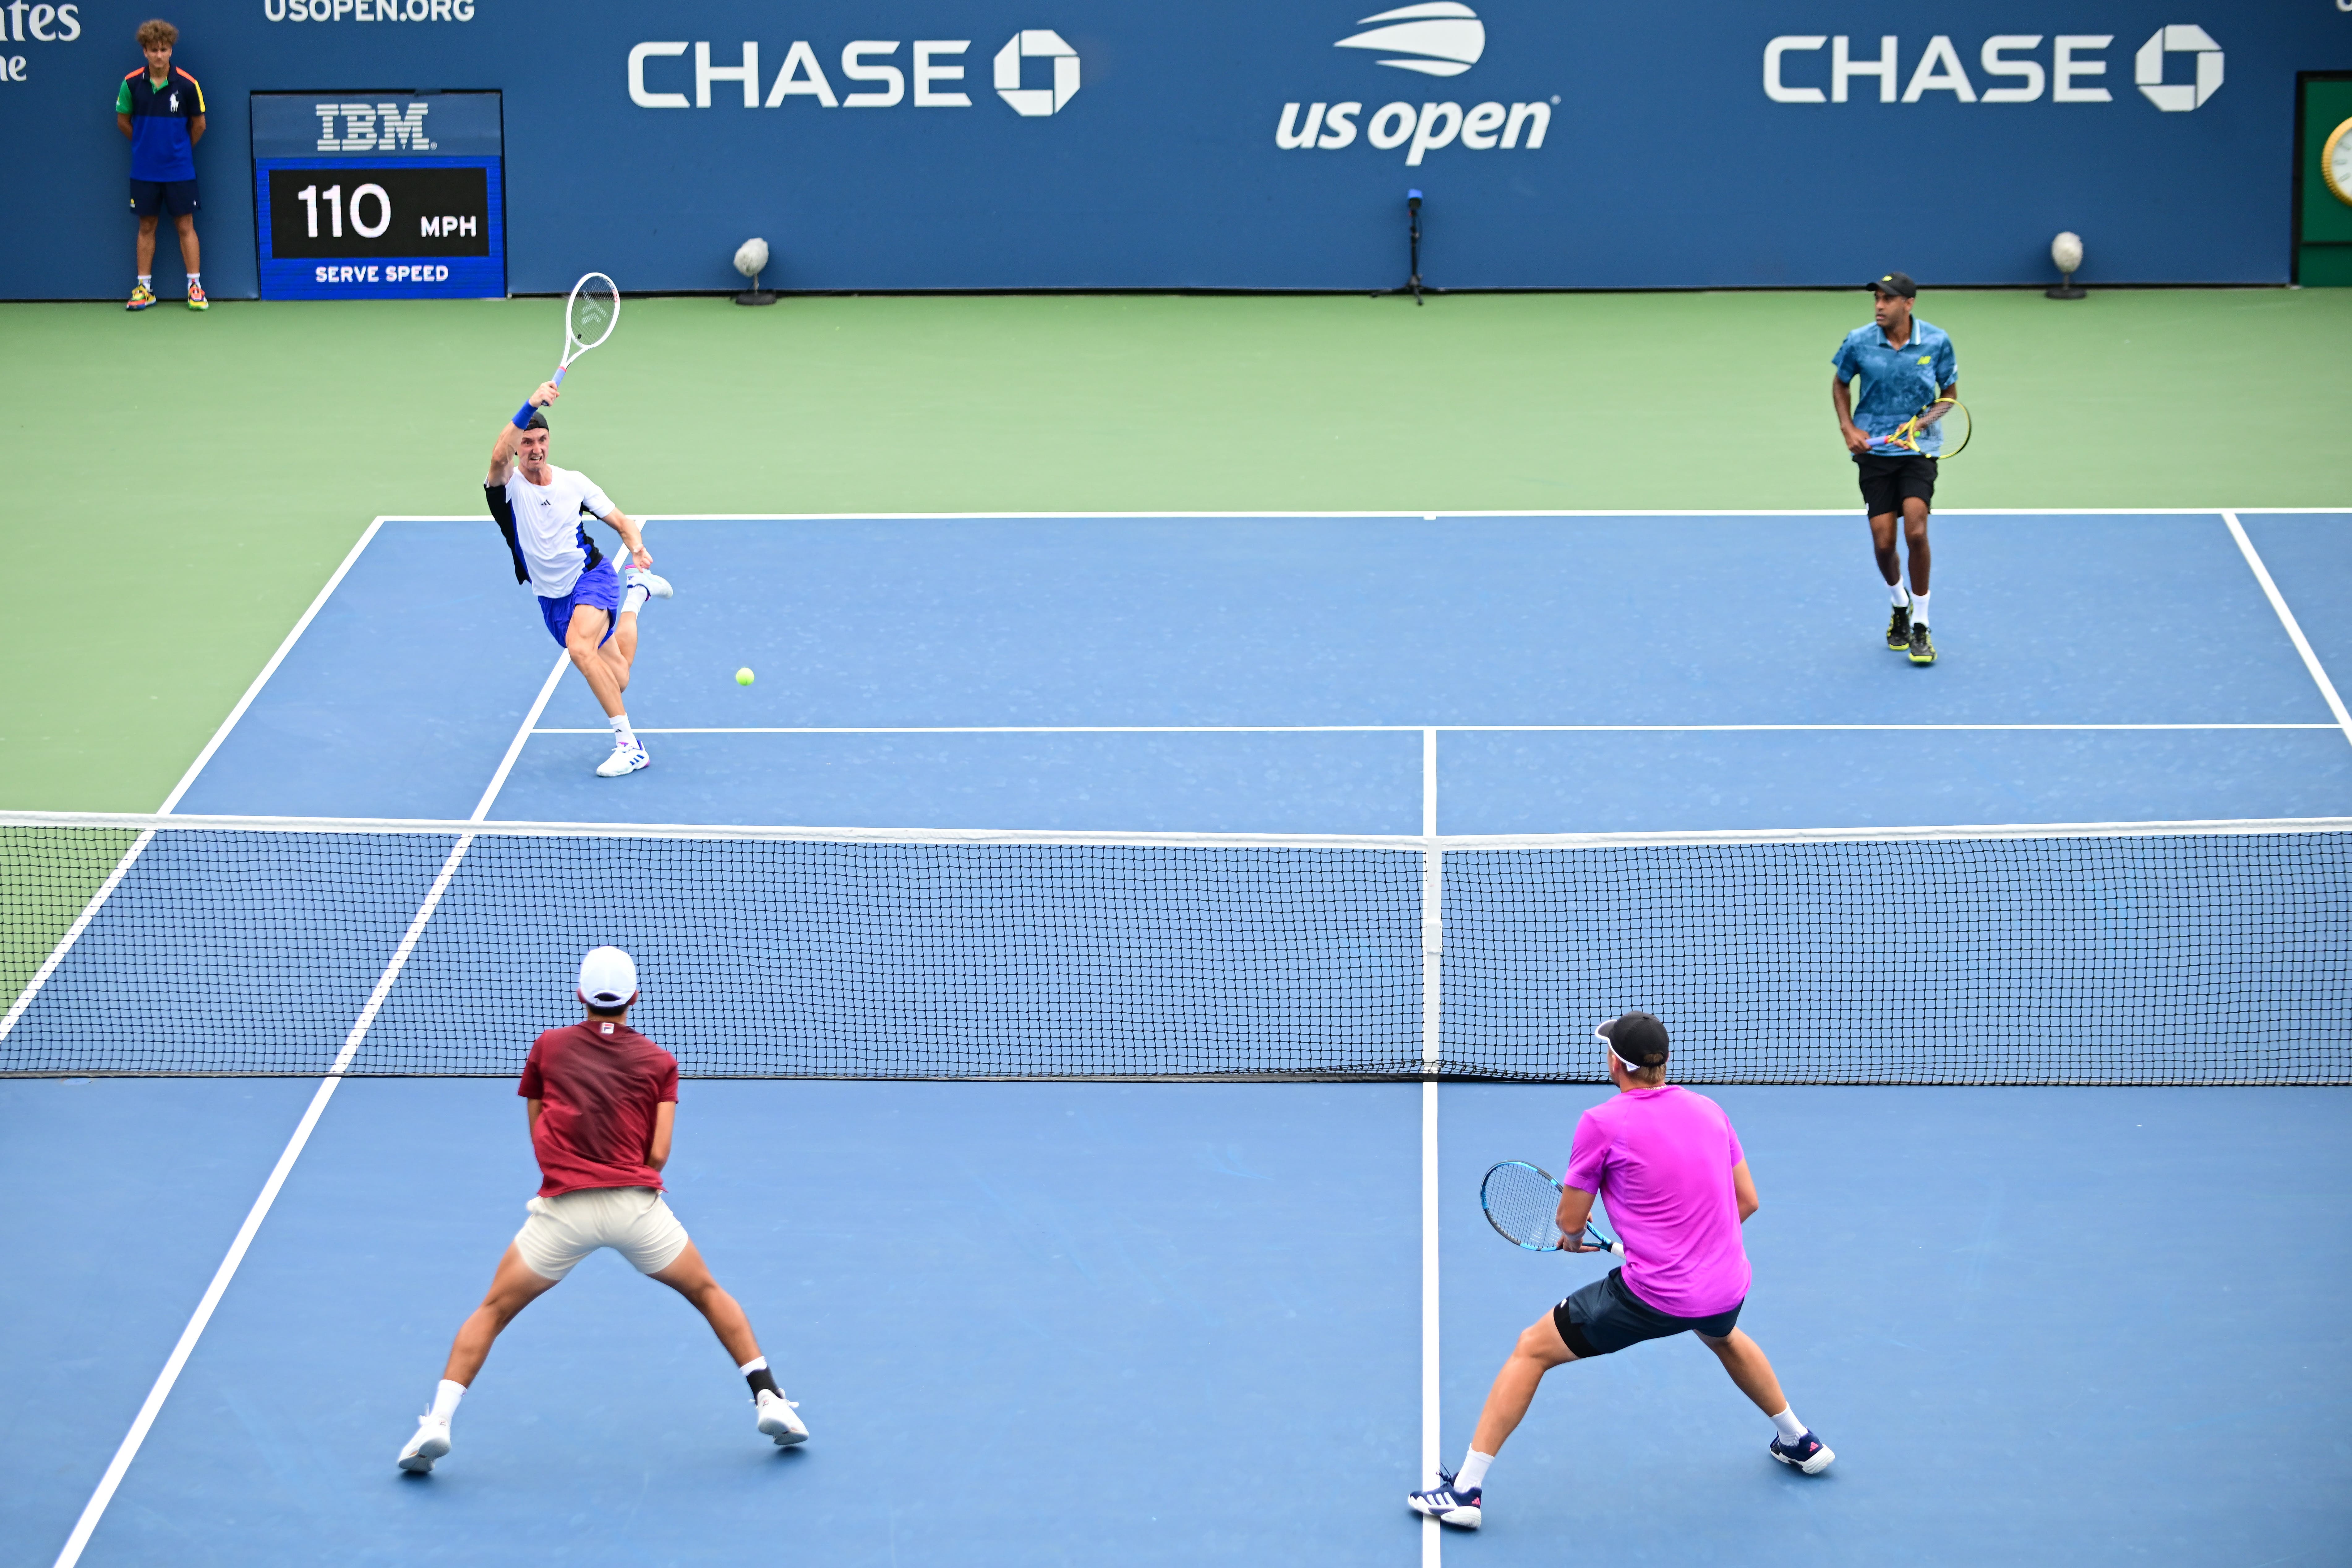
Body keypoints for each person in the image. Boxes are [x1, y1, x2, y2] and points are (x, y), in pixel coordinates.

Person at [1408, 1011, 1831, 1531]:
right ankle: (1799, 1441)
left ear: (1616, 1062)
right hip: (1726, 1285)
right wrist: (1685, 1247)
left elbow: (1568, 1219)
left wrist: (1572, 1237)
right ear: (1664, 1061)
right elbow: (1747, 1202)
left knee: (1531, 1349)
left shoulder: (1602, 1122)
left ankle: (1466, 1492)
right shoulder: (1710, 1110)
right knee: (1721, 1335)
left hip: (1655, 1295)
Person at [397, 946, 807, 1472]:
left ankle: (437, 1424)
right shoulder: (660, 1063)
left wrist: (571, 1163)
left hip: (563, 1210)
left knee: (493, 1310)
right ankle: (770, 1399)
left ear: (581, 996)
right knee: (707, 1292)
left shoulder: (547, 1048)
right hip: (635, 1209)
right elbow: (657, 1155)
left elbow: (538, 1129)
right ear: (634, 998)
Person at [485, 382, 672, 777]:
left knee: (579, 648)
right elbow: (498, 454)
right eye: (528, 441)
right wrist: (531, 403)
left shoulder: (575, 483)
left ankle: (629, 745)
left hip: (592, 577)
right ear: (518, 447)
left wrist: (636, 547)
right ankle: (639, 594)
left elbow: (621, 522)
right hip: (551, 599)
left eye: (543, 440)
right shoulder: (505, 490)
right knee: (616, 679)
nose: (536, 448)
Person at [1831, 271, 1958, 667]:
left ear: (1909, 304)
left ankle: (1921, 624)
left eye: (1887, 300)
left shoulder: (1936, 341)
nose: (1879, 306)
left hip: (1918, 449)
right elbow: (1840, 384)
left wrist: (1918, 426)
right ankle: (1899, 604)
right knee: (1884, 542)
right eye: (1876, 299)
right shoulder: (1858, 341)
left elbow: (1949, 396)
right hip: (1874, 452)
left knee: (1916, 528)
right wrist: (1848, 427)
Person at [117, 19, 207, 311]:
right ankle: (145, 288)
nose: (159, 55)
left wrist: (177, 151)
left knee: (185, 225)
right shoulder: (131, 84)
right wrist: (146, 146)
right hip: (144, 171)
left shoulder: (189, 85)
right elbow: (123, 122)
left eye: (164, 49)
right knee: (147, 226)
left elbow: (199, 125)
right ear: (145, 51)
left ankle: (195, 287)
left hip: (179, 170)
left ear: (171, 51)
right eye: (153, 50)